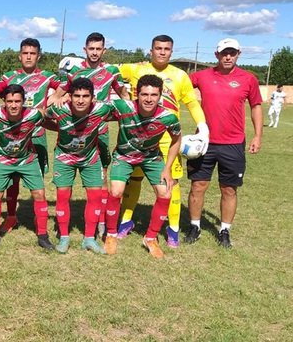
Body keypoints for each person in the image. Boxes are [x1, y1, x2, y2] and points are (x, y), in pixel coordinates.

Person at [116, 35, 208, 248]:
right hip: (137, 138)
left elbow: (192, 103)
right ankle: (126, 220)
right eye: (158, 48)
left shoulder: (180, 75)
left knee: (171, 183)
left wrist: (203, 127)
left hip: (167, 140)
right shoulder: (136, 69)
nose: (162, 52)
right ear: (151, 50)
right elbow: (108, 74)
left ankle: (173, 228)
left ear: (171, 52)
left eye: (166, 49)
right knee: (134, 180)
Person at [184, 38, 263, 248]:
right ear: (216, 55)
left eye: (232, 53)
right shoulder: (202, 76)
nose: (228, 56)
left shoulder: (248, 79)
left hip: (233, 144)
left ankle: (224, 230)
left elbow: (256, 106)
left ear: (239, 54)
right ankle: (195, 227)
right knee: (198, 186)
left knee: (228, 189)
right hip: (204, 142)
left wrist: (257, 136)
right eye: (224, 53)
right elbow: (177, 83)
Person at [58, 32, 131, 239]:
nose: (95, 53)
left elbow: (123, 94)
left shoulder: (111, 71)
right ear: (85, 50)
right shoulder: (74, 72)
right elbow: (60, 92)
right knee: (68, 173)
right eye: (91, 49)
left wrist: (130, 111)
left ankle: (100, 220)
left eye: (99, 49)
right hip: (75, 131)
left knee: (102, 176)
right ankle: (67, 223)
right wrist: (56, 99)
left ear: (104, 50)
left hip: (100, 132)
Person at [104, 75, 181, 258]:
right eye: (144, 94)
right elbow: (95, 107)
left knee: (165, 193)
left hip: (151, 158)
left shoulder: (168, 117)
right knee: (116, 191)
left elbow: (176, 139)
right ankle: (111, 235)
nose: (148, 99)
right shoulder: (123, 106)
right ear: (137, 94)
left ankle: (151, 238)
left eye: (154, 95)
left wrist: (167, 168)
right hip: (124, 156)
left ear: (160, 96)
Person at [0, 38, 63, 233]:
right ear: (20, 55)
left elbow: (68, 83)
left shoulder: (47, 77)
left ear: (38, 56)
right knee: (12, 178)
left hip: (37, 133)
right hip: (14, 133)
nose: (29, 57)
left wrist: (56, 96)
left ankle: (36, 218)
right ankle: (12, 216)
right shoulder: (10, 77)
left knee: (36, 181)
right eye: (25, 53)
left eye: (33, 53)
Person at [45, 78, 114, 254]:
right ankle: (64, 237)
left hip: (90, 158)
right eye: (76, 96)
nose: (81, 100)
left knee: (95, 196)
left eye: (86, 96)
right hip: (64, 158)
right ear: (70, 96)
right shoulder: (59, 109)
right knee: (62, 196)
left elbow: (125, 112)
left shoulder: (102, 109)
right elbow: (42, 116)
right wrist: (58, 128)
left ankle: (89, 239)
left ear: (93, 98)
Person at [0, 84, 55, 250]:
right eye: (10, 101)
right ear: (4, 102)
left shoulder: (33, 114)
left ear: (24, 102)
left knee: (39, 194)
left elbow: (52, 117)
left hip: (27, 159)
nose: (14, 105)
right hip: (3, 158)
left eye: (17, 101)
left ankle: (43, 236)